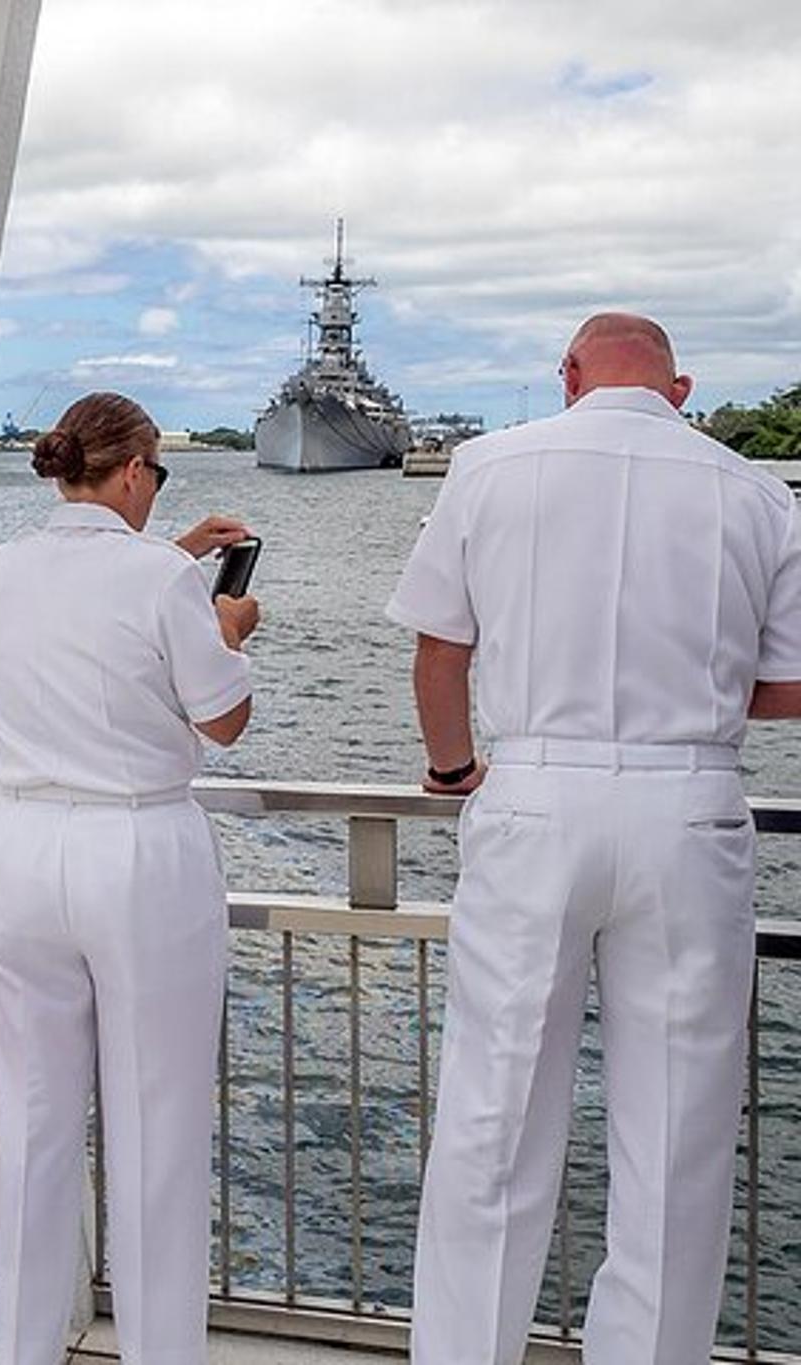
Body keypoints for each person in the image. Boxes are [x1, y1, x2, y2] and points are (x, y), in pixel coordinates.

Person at [393, 314, 801, 1364]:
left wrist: (455, 771)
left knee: (493, 1112)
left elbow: (440, 652)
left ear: (567, 374)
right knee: (675, 1135)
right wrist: (694, 696)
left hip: (533, 799)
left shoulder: (487, 466)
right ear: (680, 388)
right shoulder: (755, 491)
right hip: (690, 806)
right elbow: (790, 684)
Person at [0, 392, 259, 1365]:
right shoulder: (162, 580)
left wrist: (173, 559)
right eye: (156, 475)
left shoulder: (5, 567)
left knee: (31, 1126)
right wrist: (228, 628)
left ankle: (19, 1351)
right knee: (154, 1130)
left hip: (17, 846)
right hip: (135, 850)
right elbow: (221, 719)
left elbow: (91, 604)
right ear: (134, 470)